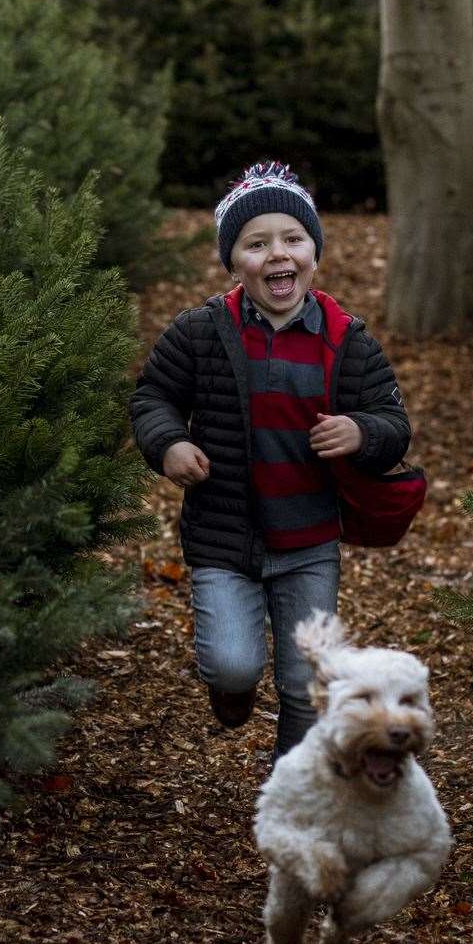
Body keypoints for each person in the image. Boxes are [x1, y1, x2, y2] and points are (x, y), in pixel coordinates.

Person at [128, 162, 412, 759]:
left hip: (309, 539)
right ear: (233, 261)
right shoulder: (203, 332)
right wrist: (169, 444)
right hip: (224, 535)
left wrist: (362, 432)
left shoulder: (347, 340)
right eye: (256, 244)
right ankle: (230, 691)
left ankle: (295, 789)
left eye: (292, 239)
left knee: (306, 686)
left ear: (314, 250)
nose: (277, 255)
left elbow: (393, 422)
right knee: (233, 664)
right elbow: (154, 394)